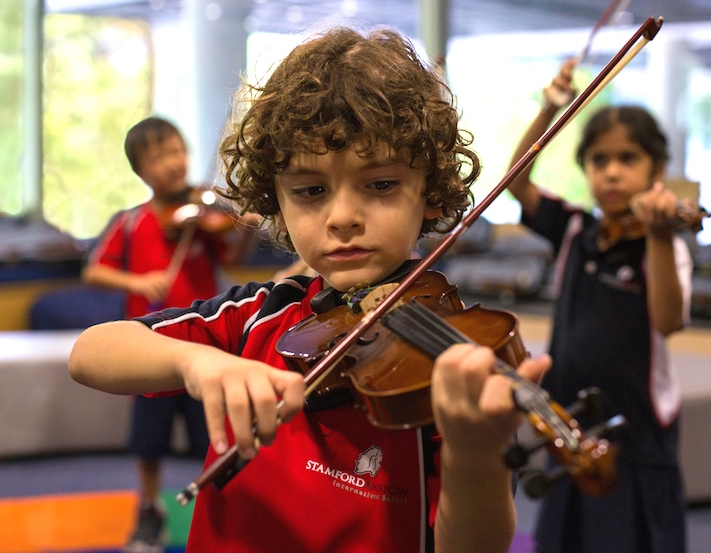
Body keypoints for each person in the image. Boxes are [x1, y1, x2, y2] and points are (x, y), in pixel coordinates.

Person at [70, 27, 550, 553]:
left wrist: (474, 455)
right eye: (310, 191)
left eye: (381, 184)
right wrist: (198, 364)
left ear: (431, 193)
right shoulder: (260, 314)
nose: (342, 217)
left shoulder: (449, 364)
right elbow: (91, 352)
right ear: (275, 199)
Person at [506, 60, 693, 553]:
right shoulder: (574, 229)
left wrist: (656, 234)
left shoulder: (663, 243)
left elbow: (670, 321)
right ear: (585, 168)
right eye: (599, 160)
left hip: (637, 431)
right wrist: (548, 108)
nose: (612, 172)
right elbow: (516, 185)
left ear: (655, 168)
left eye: (628, 159)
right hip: (568, 420)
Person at [82, 116, 253, 553]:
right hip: (150, 349)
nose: (172, 163)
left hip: (202, 345)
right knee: (149, 439)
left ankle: (217, 506)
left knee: (211, 434)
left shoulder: (203, 214)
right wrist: (138, 283)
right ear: (141, 171)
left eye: (176, 150)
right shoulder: (132, 221)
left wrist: (245, 226)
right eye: (158, 157)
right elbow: (94, 271)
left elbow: (231, 259)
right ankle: (149, 507)